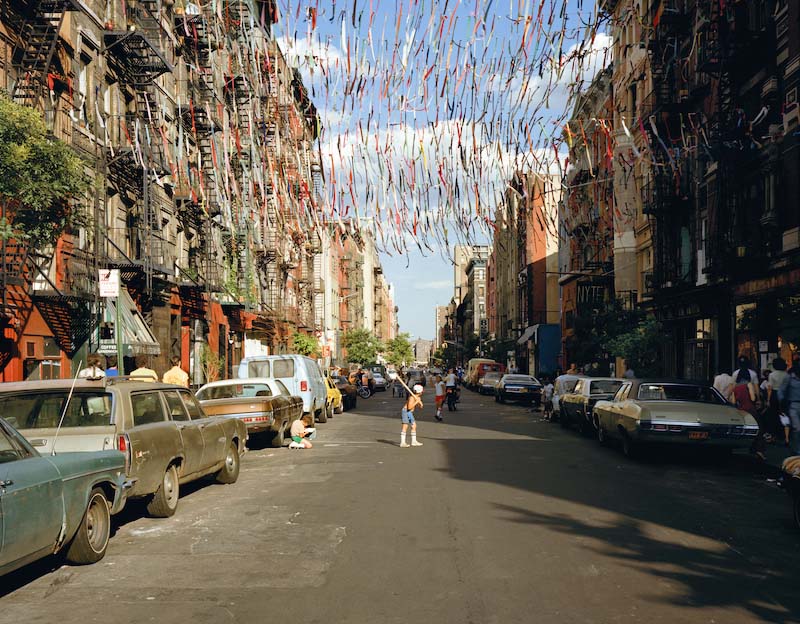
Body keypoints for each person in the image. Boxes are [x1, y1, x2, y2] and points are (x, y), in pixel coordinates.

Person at [732, 366, 764, 460]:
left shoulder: (735, 387)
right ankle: (758, 450)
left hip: (741, 410)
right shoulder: (749, 384)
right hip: (750, 409)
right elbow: (753, 398)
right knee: (759, 429)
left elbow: (733, 402)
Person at [767, 357, 790, 446]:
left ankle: (773, 437)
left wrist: (768, 400)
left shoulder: (772, 375)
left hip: (775, 395)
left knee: (773, 416)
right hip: (784, 395)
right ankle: (787, 438)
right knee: (785, 415)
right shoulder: (787, 375)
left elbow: (770, 388)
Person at [778, 364, 800, 455]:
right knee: (797, 428)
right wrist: (782, 404)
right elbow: (781, 391)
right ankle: (797, 448)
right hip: (793, 405)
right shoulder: (789, 378)